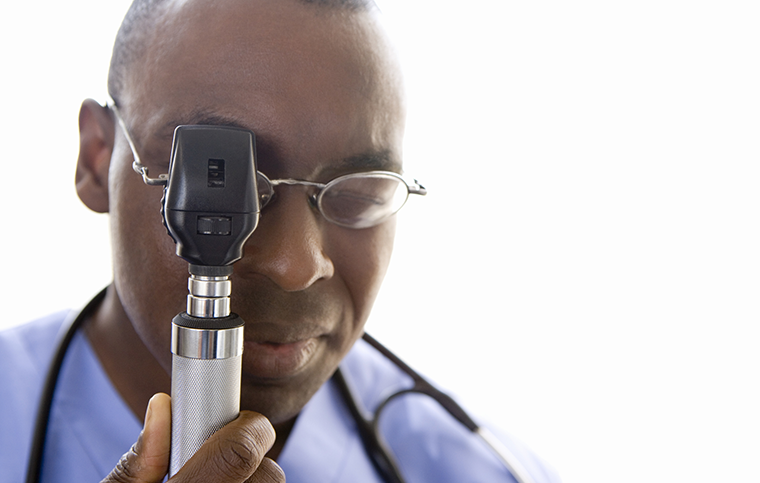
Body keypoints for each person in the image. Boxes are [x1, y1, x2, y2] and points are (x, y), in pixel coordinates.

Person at [0, 0, 562, 482]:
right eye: (222, 177)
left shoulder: (484, 469)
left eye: (359, 193)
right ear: (98, 158)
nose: (296, 264)